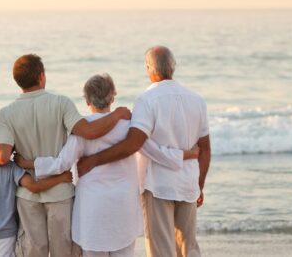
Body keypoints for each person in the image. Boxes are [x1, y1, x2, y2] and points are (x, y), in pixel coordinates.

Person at [16, 74, 199, 257]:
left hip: (93, 208)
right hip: (123, 205)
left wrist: (30, 164)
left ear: (87, 101)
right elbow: (155, 152)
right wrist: (187, 154)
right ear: (112, 97)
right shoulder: (129, 125)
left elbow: (60, 163)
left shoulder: (82, 130)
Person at [0, 54, 131, 257]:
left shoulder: (7, 112)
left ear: (17, 81)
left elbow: (2, 157)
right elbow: (88, 132)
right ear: (42, 77)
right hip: (60, 193)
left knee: (32, 251)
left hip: (28, 196)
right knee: (63, 252)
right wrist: (117, 115)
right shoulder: (61, 103)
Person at [76, 46, 211, 257]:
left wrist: (94, 160)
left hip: (158, 184)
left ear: (149, 68)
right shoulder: (197, 99)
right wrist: (199, 184)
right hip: (188, 183)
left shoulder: (146, 100)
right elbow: (205, 149)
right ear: (173, 67)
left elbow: (134, 143)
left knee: (161, 249)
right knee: (189, 248)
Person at [0, 126, 73, 257]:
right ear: (11, 148)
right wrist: (61, 178)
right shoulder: (14, 170)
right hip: (6, 232)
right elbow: (34, 187)